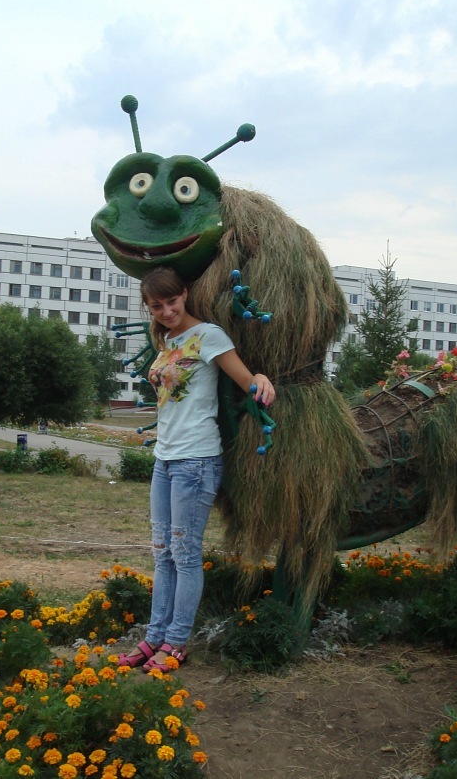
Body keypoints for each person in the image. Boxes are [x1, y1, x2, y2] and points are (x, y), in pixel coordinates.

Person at [117, 266, 275, 673]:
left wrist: (259, 376)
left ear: (184, 294)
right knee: (163, 553)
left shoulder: (209, 335)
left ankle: (176, 642)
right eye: (157, 306)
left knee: (185, 555)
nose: (166, 311)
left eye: (171, 301)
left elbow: (244, 380)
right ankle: (154, 637)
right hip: (165, 459)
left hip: (197, 461)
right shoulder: (167, 340)